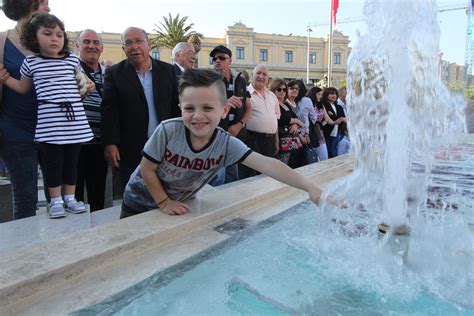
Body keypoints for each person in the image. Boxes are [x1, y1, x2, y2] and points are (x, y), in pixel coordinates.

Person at [120, 68, 322, 218]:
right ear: (180, 107)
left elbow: (268, 164)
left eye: (207, 108)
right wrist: (164, 202)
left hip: (176, 205)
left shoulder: (224, 143)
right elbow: (147, 169)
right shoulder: (168, 130)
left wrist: (310, 187)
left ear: (224, 110)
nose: (198, 116)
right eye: (189, 108)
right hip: (137, 203)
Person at [0, 13, 94, 218]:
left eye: (59, 35)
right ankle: (55, 201)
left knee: (71, 161)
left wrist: (87, 86)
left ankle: (70, 197)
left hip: (74, 120)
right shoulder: (31, 62)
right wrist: (5, 79)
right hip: (49, 120)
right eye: (48, 33)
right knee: (53, 162)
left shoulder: (72, 60)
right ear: (34, 37)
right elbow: (23, 88)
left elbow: (81, 84)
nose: (54, 39)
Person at [101, 27, 180, 192]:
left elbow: (176, 107)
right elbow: (109, 111)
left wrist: (180, 139)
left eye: (138, 41)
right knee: (134, 193)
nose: (134, 47)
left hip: (164, 145)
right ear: (123, 49)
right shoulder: (114, 74)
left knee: (167, 190)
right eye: (128, 43)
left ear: (149, 44)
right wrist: (110, 143)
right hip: (130, 147)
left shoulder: (168, 71)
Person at [0, 0, 50, 220]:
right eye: (44, 4)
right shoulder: (2, 41)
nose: (48, 9)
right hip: (15, 130)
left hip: (52, 129)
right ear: (28, 5)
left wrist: (82, 86)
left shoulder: (50, 40)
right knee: (25, 197)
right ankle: (25, 251)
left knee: (58, 196)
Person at [74, 29, 107, 212]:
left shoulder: (109, 74)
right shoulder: (68, 70)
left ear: (101, 48)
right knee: (73, 197)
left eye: (96, 42)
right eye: (86, 42)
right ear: (77, 46)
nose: (91, 46)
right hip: (74, 145)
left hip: (99, 145)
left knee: (98, 197)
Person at [209, 44, 251, 184]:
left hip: (235, 135)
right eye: (214, 58)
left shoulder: (240, 80)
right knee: (218, 178)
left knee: (233, 177)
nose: (217, 60)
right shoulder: (209, 80)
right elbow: (204, 106)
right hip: (216, 135)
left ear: (230, 61)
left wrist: (239, 125)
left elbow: (248, 108)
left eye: (222, 57)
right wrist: (225, 102)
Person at [239, 64, 279, 179]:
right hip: (251, 140)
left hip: (270, 141)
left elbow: (275, 118)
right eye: (258, 73)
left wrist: (276, 139)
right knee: (250, 177)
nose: (261, 76)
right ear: (252, 75)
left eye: (264, 74)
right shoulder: (244, 93)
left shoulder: (272, 96)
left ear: (268, 79)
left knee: (267, 176)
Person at [270, 78, 304, 165]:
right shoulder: (273, 103)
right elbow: (282, 119)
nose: (282, 91)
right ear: (274, 90)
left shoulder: (285, 104)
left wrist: (295, 124)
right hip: (280, 140)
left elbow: (296, 118)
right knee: (283, 167)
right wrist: (295, 121)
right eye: (279, 89)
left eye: (284, 89)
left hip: (292, 142)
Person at [321, 87, 346, 158]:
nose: (334, 95)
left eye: (335, 94)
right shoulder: (324, 105)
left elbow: (343, 118)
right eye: (331, 94)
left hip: (338, 132)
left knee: (334, 151)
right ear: (326, 95)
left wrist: (340, 118)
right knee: (328, 152)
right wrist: (338, 118)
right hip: (327, 132)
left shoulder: (339, 107)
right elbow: (331, 118)